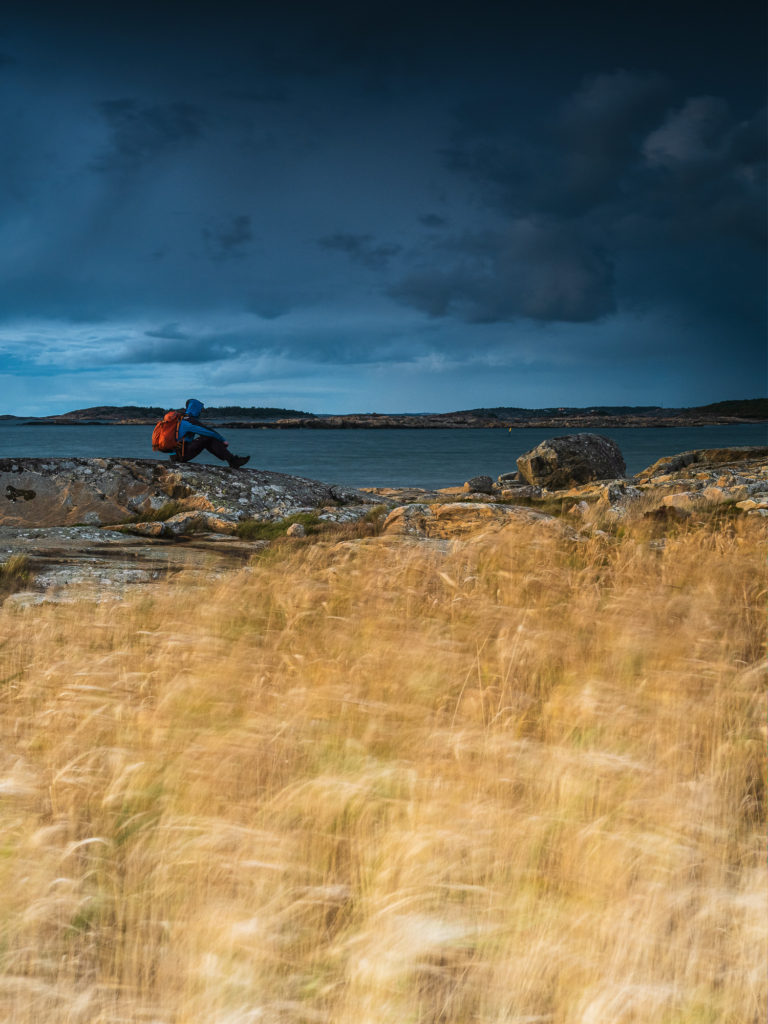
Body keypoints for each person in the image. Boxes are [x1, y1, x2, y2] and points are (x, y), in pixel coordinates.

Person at [171, 398, 250, 468]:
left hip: (175, 455)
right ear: (195, 409)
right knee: (208, 437)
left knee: (206, 438)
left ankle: (232, 460)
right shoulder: (189, 421)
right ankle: (233, 460)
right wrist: (222, 440)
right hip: (181, 455)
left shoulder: (181, 418)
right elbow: (206, 431)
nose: (200, 412)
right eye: (200, 410)